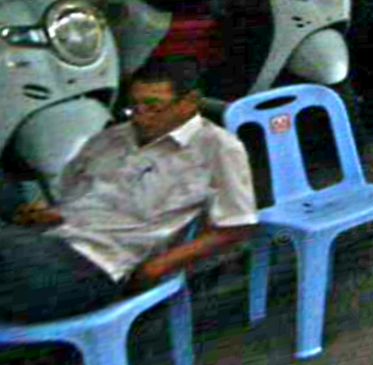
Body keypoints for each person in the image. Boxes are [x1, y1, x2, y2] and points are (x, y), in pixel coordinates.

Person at [0, 58, 258, 323]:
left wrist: (154, 269)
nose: (141, 117)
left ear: (189, 102)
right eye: (134, 107)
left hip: (94, 268)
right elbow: (68, 199)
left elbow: (235, 227)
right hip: (47, 242)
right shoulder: (112, 138)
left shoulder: (218, 147)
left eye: (154, 107)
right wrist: (42, 215)